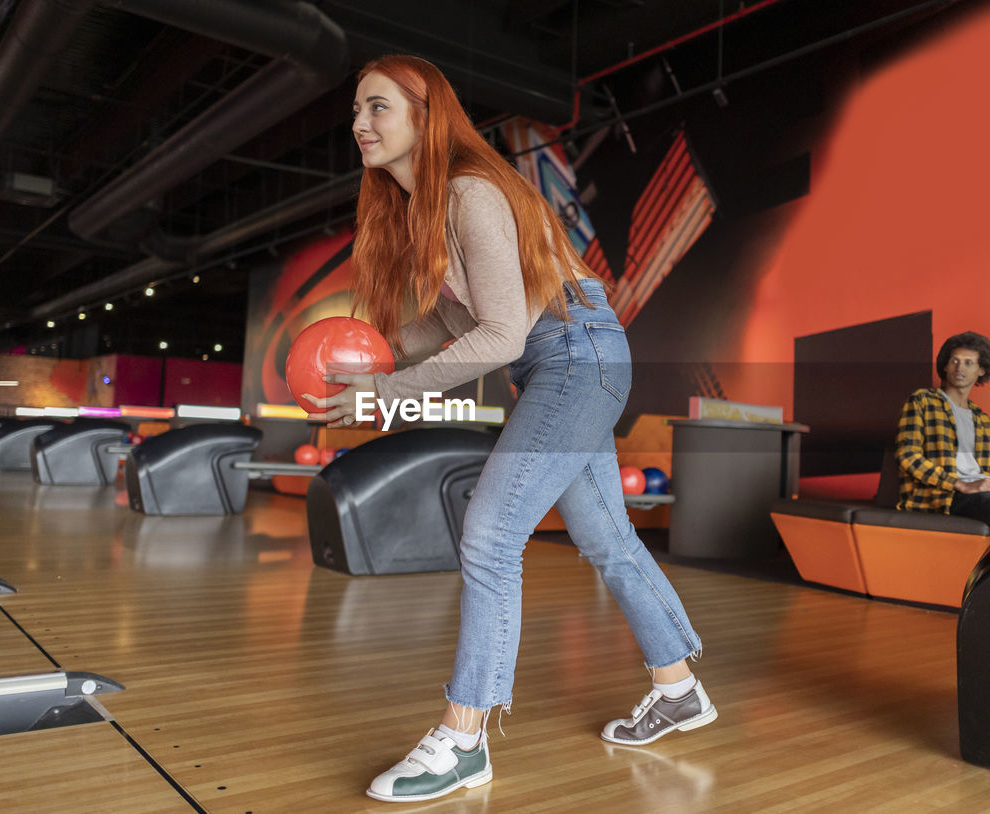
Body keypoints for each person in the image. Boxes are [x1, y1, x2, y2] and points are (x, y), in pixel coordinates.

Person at [305, 55, 714, 804]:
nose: (359, 125)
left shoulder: (469, 190)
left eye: (377, 108)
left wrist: (390, 390)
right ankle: (679, 686)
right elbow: (435, 339)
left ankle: (463, 740)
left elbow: (497, 338)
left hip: (575, 353)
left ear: (425, 116)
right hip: (559, 363)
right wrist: (369, 377)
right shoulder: (418, 216)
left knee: (491, 535)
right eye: (356, 112)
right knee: (608, 540)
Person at [895, 331, 990, 532]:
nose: (959, 367)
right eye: (954, 361)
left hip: (989, 489)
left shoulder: (981, 418)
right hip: (948, 494)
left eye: (968, 363)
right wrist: (960, 484)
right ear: (945, 365)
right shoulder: (922, 401)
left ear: (981, 370)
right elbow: (907, 456)